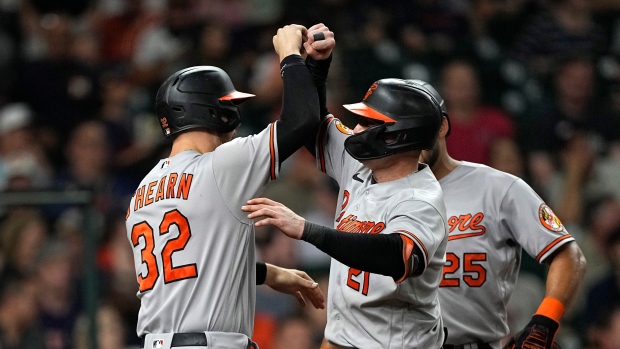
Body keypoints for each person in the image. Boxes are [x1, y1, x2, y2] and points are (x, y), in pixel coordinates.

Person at [125, 24, 333, 349]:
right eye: (227, 103)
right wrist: (290, 56)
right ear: (209, 110)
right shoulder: (220, 167)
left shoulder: (142, 191)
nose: (233, 111)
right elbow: (303, 121)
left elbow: (192, 266)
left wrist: (268, 273)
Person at [243, 77, 449, 348]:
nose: (355, 129)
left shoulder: (421, 199)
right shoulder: (362, 166)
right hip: (341, 338)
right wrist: (314, 67)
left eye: (368, 122)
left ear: (401, 134)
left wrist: (308, 230)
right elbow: (310, 122)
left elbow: (396, 256)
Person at [416, 80, 587, 349]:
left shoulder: (497, 186)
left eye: (414, 128)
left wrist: (546, 319)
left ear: (441, 126)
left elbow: (569, 254)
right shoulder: (381, 194)